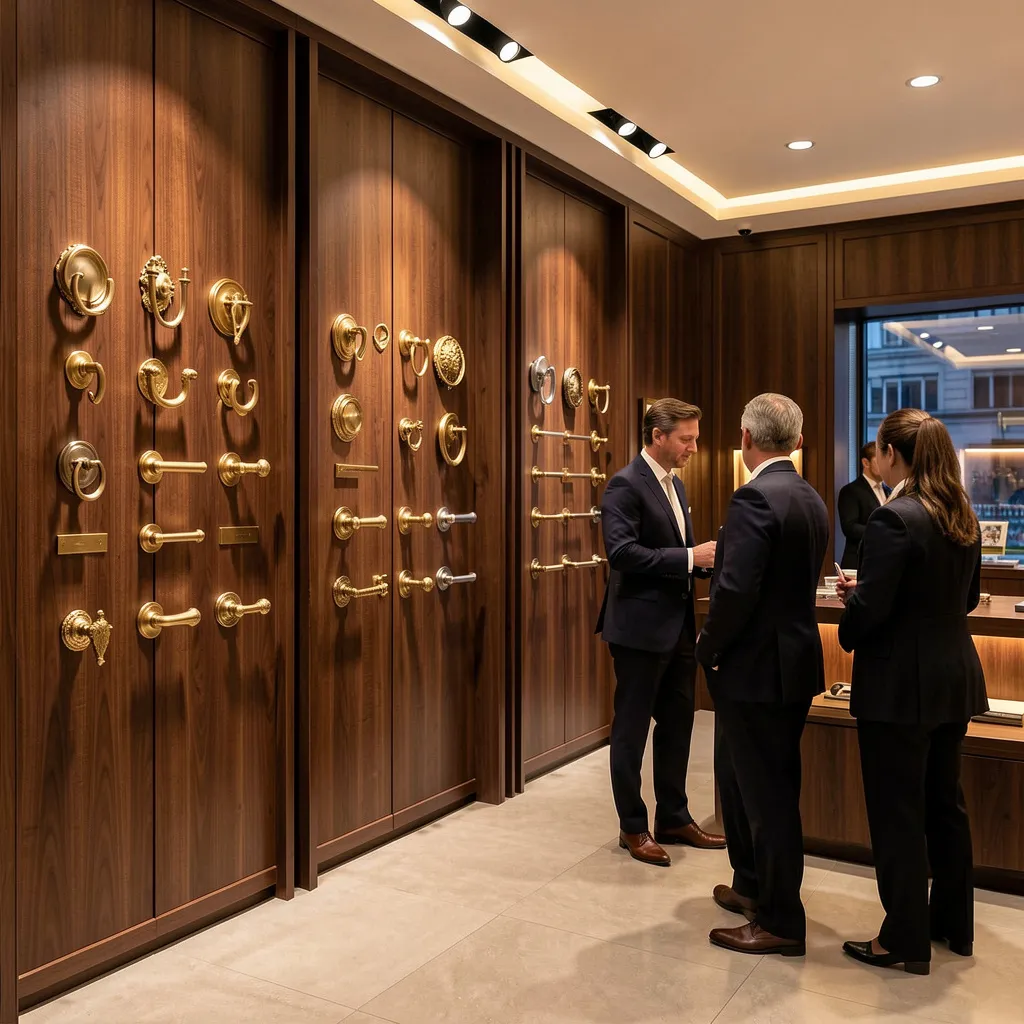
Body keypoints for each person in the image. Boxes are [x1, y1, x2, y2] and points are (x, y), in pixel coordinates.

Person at [836, 409, 988, 975]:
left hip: (901, 687)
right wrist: (877, 591)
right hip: (955, 678)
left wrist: (857, 603)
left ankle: (902, 938)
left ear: (894, 455)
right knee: (944, 806)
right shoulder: (962, 513)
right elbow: (966, 598)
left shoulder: (894, 517)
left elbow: (872, 613)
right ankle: (952, 925)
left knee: (896, 811)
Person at [695, 393, 828, 957]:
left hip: (755, 668)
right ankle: (753, 887)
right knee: (758, 785)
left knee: (766, 796)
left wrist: (708, 645)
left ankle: (779, 919)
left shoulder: (752, 498)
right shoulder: (811, 497)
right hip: (793, 664)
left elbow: (735, 590)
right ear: (797, 443)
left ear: (746, 439)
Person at [596, 398, 725, 867]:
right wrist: (693, 558)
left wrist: (708, 565)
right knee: (631, 731)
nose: (694, 446)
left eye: (694, 437)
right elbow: (623, 553)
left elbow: (674, 552)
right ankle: (633, 825)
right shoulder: (624, 486)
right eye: (686, 438)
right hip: (637, 632)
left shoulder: (678, 486)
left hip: (678, 629)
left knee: (679, 725)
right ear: (657, 436)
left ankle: (674, 815)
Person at [837, 441, 889, 569]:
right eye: (880, 461)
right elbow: (849, 527)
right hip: (859, 562)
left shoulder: (889, 490)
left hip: (883, 560)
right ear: (866, 463)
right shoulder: (851, 490)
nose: (885, 466)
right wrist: (883, 532)